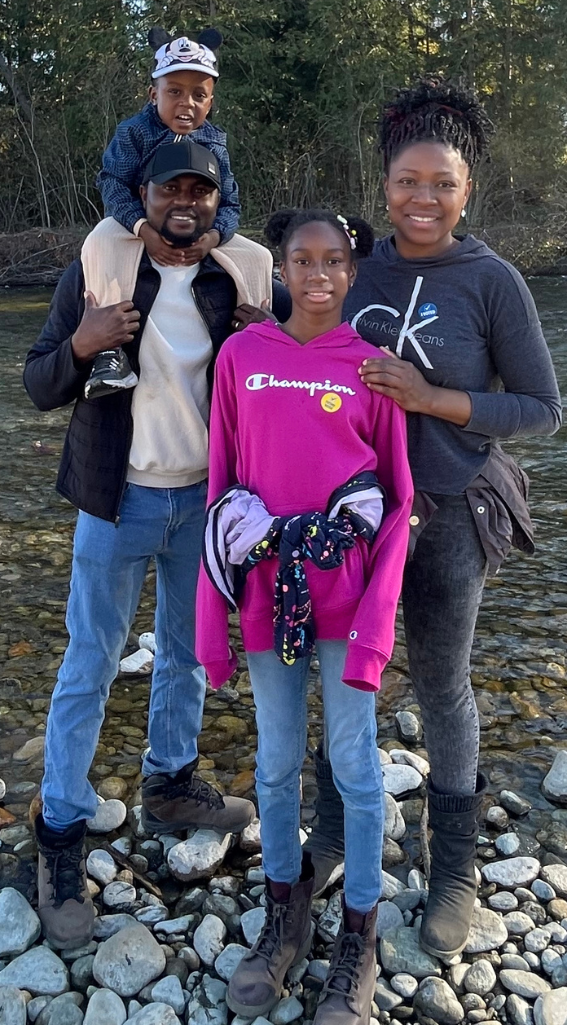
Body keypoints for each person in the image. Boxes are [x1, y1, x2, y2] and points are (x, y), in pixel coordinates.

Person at [22, 139, 279, 949]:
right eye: (173, 187)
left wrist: (266, 338)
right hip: (115, 500)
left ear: (215, 200)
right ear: (145, 192)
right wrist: (84, 343)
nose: (187, 202)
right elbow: (37, 383)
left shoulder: (230, 277)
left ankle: (169, 783)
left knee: (186, 652)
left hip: (203, 502)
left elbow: (282, 392)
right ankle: (60, 829)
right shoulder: (98, 270)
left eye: (201, 191)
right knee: (90, 660)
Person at [336, 78, 564, 961]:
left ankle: (454, 873)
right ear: (383, 184)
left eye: (442, 183)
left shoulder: (493, 281)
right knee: (344, 678)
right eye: (406, 181)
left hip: (452, 515)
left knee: (442, 685)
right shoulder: (355, 268)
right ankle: (326, 839)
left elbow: (543, 410)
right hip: (352, 517)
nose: (422, 198)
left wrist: (435, 400)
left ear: (468, 190)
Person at [196, 209, 414, 1025]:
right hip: (263, 593)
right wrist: (208, 616)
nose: (318, 274)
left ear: (353, 273)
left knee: (356, 766)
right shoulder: (241, 358)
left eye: (333, 262)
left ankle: (360, 929)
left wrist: (377, 627)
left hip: (346, 599)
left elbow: (396, 506)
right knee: (276, 762)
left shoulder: (372, 369)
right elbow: (220, 488)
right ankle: (285, 912)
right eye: (302, 260)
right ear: (280, 267)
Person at [86, 28, 242, 399]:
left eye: (198, 95)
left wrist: (213, 238)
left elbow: (231, 203)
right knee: (100, 240)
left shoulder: (214, 142)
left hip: (198, 231)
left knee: (257, 256)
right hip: (136, 225)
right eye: (174, 92)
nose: (186, 103)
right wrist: (143, 230)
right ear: (153, 93)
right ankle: (110, 353)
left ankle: (250, 340)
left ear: (211, 102)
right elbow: (112, 183)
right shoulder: (134, 133)